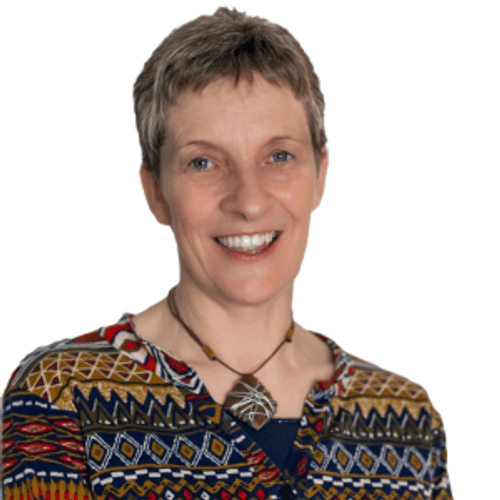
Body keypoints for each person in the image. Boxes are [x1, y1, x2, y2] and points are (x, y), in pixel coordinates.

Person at [1, 7, 452, 500]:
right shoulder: (63, 396)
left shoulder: (404, 419)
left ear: (320, 175)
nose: (249, 201)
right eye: (203, 162)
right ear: (155, 191)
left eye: (279, 156)